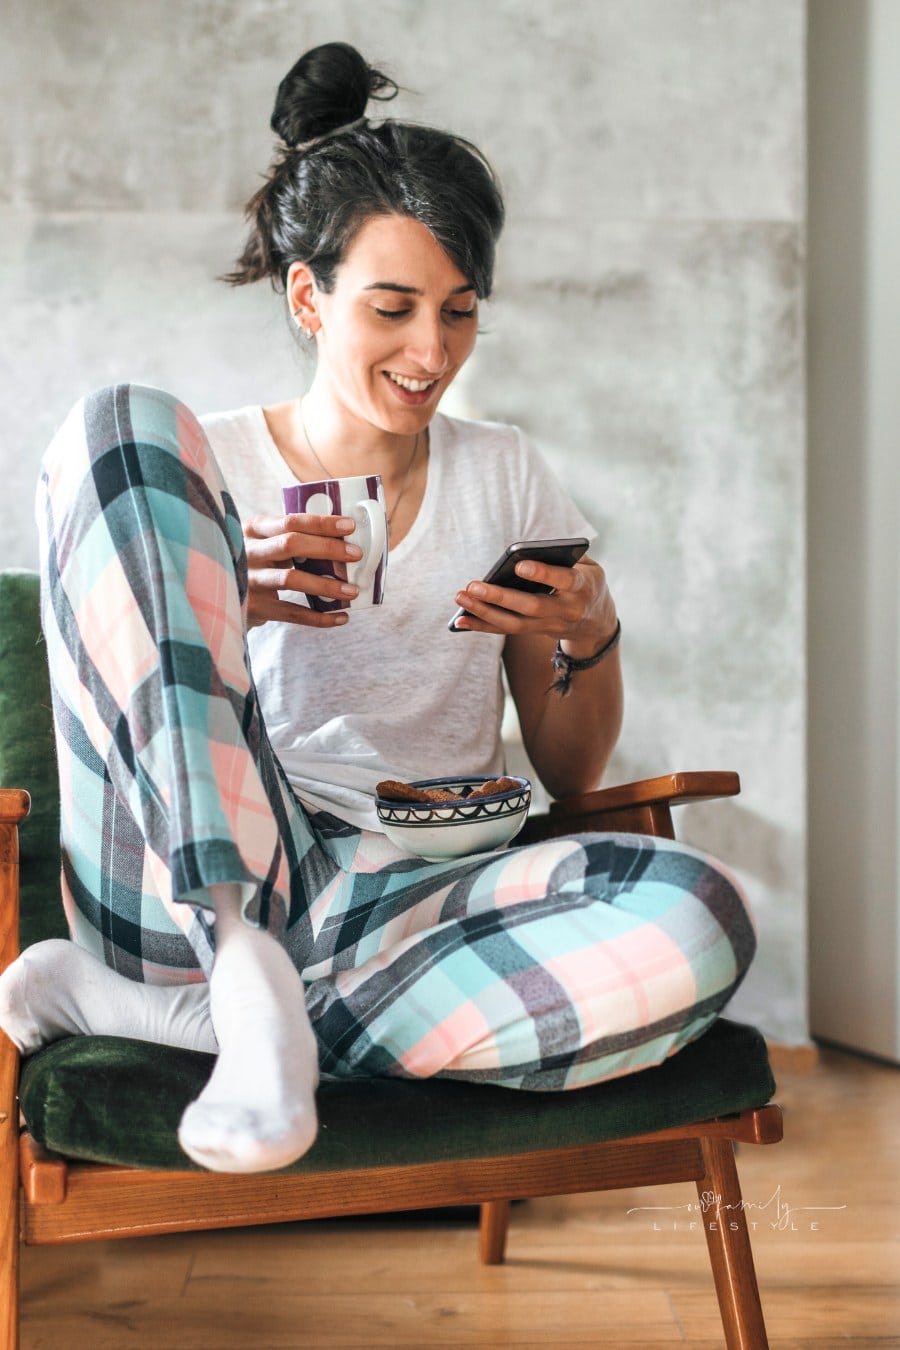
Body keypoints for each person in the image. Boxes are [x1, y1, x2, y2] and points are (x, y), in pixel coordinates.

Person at [0, 42, 756, 1174]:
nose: (431, 351)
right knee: (118, 425)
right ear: (309, 298)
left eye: (460, 312)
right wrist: (215, 590)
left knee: (702, 912)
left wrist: (588, 638)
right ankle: (241, 972)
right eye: (394, 308)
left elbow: (573, 777)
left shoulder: (505, 474)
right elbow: (104, 660)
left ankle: (225, 1026)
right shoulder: (202, 469)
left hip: (423, 896)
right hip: (208, 886)